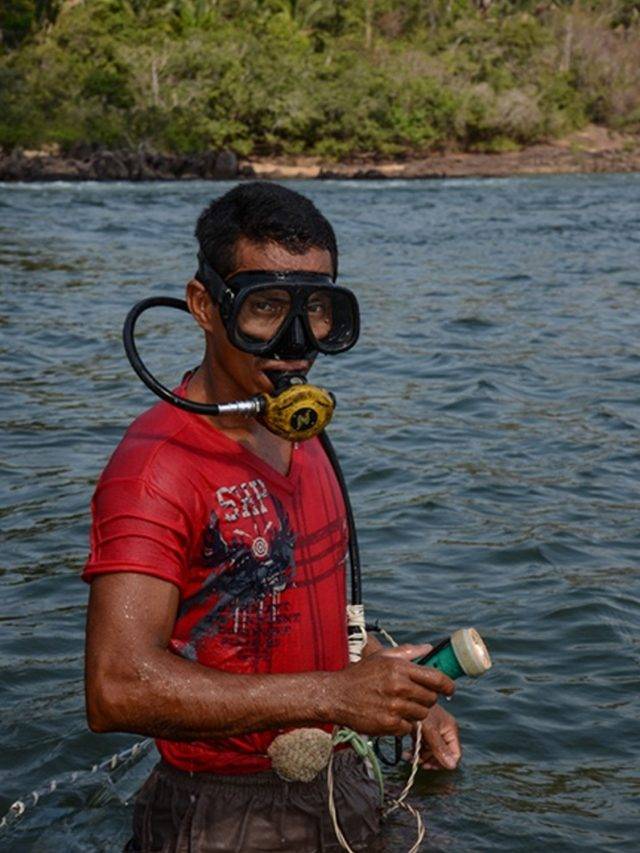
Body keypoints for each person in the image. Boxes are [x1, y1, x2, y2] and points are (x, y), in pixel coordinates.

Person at [83, 182, 461, 853]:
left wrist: (392, 690)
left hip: (340, 777)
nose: (295, 343)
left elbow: (286, 610)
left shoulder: (300, 431)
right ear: (205, 305)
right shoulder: (157, 467)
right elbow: (116, 687)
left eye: (315, 310)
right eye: (264, 307)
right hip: (224, 813)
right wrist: (336, 696)